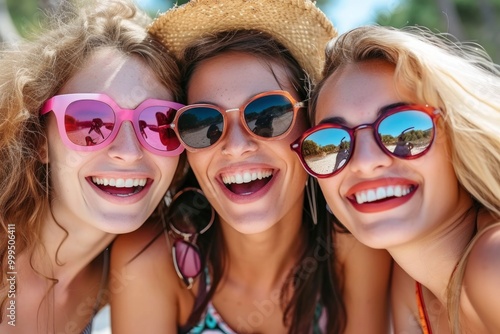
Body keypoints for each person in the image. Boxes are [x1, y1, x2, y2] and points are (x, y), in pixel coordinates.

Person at [110, 1, 392, 333]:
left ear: (310, 126)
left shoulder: (357, 248)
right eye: (203, 124)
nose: (237, 146)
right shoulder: (149, 259)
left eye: (268, 114)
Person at [291, 25, 500, 333]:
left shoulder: (492, 262)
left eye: (404, 129)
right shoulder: (414, 287)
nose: (365, 162)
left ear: (460, 134)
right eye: (332, 144)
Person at [0, 0, 185, 332]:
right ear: (41, 140)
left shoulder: (128, 281)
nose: (128, 152)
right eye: (90, 120)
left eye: (159, 123)